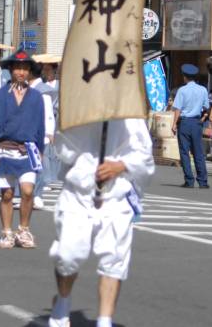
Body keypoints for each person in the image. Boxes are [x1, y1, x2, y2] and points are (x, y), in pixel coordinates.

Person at [47, 117, 154, 327]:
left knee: (114, 258)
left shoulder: (131, 116)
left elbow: (145, 158)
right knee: (68, 255)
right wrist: (67, 126)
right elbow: (64, 151)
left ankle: (105, 320)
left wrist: (121, 165)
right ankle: (62, 300)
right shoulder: (79, 108)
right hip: (78, 193)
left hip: (116, 194)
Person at [0, 50, 45, 249]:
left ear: (30, 72)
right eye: (18, 68)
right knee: (7, 194)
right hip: (3, 149)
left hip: (28, 149)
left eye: (25, 69)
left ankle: (24, 229)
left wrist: (40, 150)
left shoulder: (37, 97)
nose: (21, 72)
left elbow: (40, 126)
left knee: (28, 191)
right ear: (11, 70)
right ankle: (6, 232)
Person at [170, 64, 209, 189]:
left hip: (185, 122)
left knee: (184, 152)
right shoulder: (203, 89)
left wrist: (174, 124)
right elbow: (206, 107)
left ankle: (189, 180)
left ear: (185, 77)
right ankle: (203, 181)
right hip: (197, 122)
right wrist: (201, 118)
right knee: (198, 152)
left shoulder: (182, 90)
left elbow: (178, 109)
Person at [31, 56, 59, 210]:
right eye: (45, 69)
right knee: (41, 158)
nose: (47, 72)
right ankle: (40, 186)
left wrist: (50, 129)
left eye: (50, 69)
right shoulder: (39, 87)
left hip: (55, 118)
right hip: (40, 124)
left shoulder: (56, 85)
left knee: (51, 155)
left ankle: (46, 182)